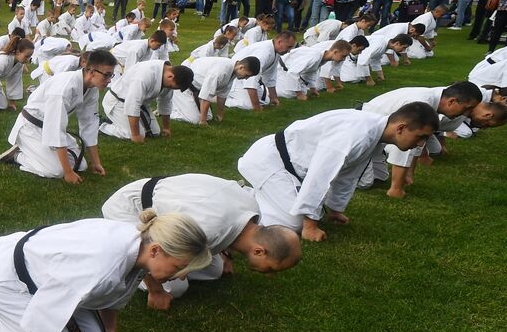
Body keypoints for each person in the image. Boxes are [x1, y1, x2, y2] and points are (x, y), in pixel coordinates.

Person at [0, 212, 211, 332]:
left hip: (44, 276)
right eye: (179, 267)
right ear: (156, 250)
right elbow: (43, 312)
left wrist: (110, 330)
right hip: (8, 280)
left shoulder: (141, 246)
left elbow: (113, 293)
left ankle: (11, 318)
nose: (180, 276)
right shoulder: (100, 265)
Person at [238, 103, 439, 242]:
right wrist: (310, 225)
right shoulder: (358, 134)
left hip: (287, 166)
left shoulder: (376, 131)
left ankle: (258, 193)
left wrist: (335, 209)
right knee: (292, 224)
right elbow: (321, 174)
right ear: (401, 128)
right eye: (420, 137)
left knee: (295, 215)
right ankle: (239, 196)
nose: (421, 144)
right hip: (268, 161)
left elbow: (349, 174)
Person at [100, 175, 302, 308]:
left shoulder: (252, 209)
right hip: (131, 208)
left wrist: (226, 254)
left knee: (214, 270)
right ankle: (125, 268)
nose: (271, 275)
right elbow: (152, 247)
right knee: (176, 288)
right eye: (272, 269)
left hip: (164, 203)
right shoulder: (207, 229)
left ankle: (181, 266)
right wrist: (156, 290)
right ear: (259, 251)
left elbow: (231, 229)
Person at [0, 49, 114, 182]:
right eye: (107, 75)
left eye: (111, 75)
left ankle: (37, 153)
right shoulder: (63, 88)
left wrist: (96, 162)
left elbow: (89, 124)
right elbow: (55, 128)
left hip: (48, 127)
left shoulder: (91, 88)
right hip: (30, 128)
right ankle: (18, 155)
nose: (109, 80)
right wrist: (68, 172)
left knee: (81, 165)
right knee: (56, 171)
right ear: (92, 72)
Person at [359, 82, 481, 198]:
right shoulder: (422, 103)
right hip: (362, 133)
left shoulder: (433, 101)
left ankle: (368, 159)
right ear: (452, 101)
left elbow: (416, 144)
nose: (466, 114)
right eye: (467, 108)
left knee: (380, 177)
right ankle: (346, 163)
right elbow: (405, 142)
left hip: (379, 136)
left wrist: (408, 174)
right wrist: (396, 188)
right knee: (365, 183)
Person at [100, 59, 192, 142]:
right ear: (170, 76)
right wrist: (136, 135)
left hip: (141, 104)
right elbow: (132, 104)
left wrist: (166, 128)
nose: (171, 88)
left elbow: (166, 102)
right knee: (132, 134)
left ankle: (120, 122)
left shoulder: (168, 76)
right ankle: (102, 126)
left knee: (155, 132)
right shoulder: (144, 76)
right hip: (117, 102)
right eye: (172, 86)